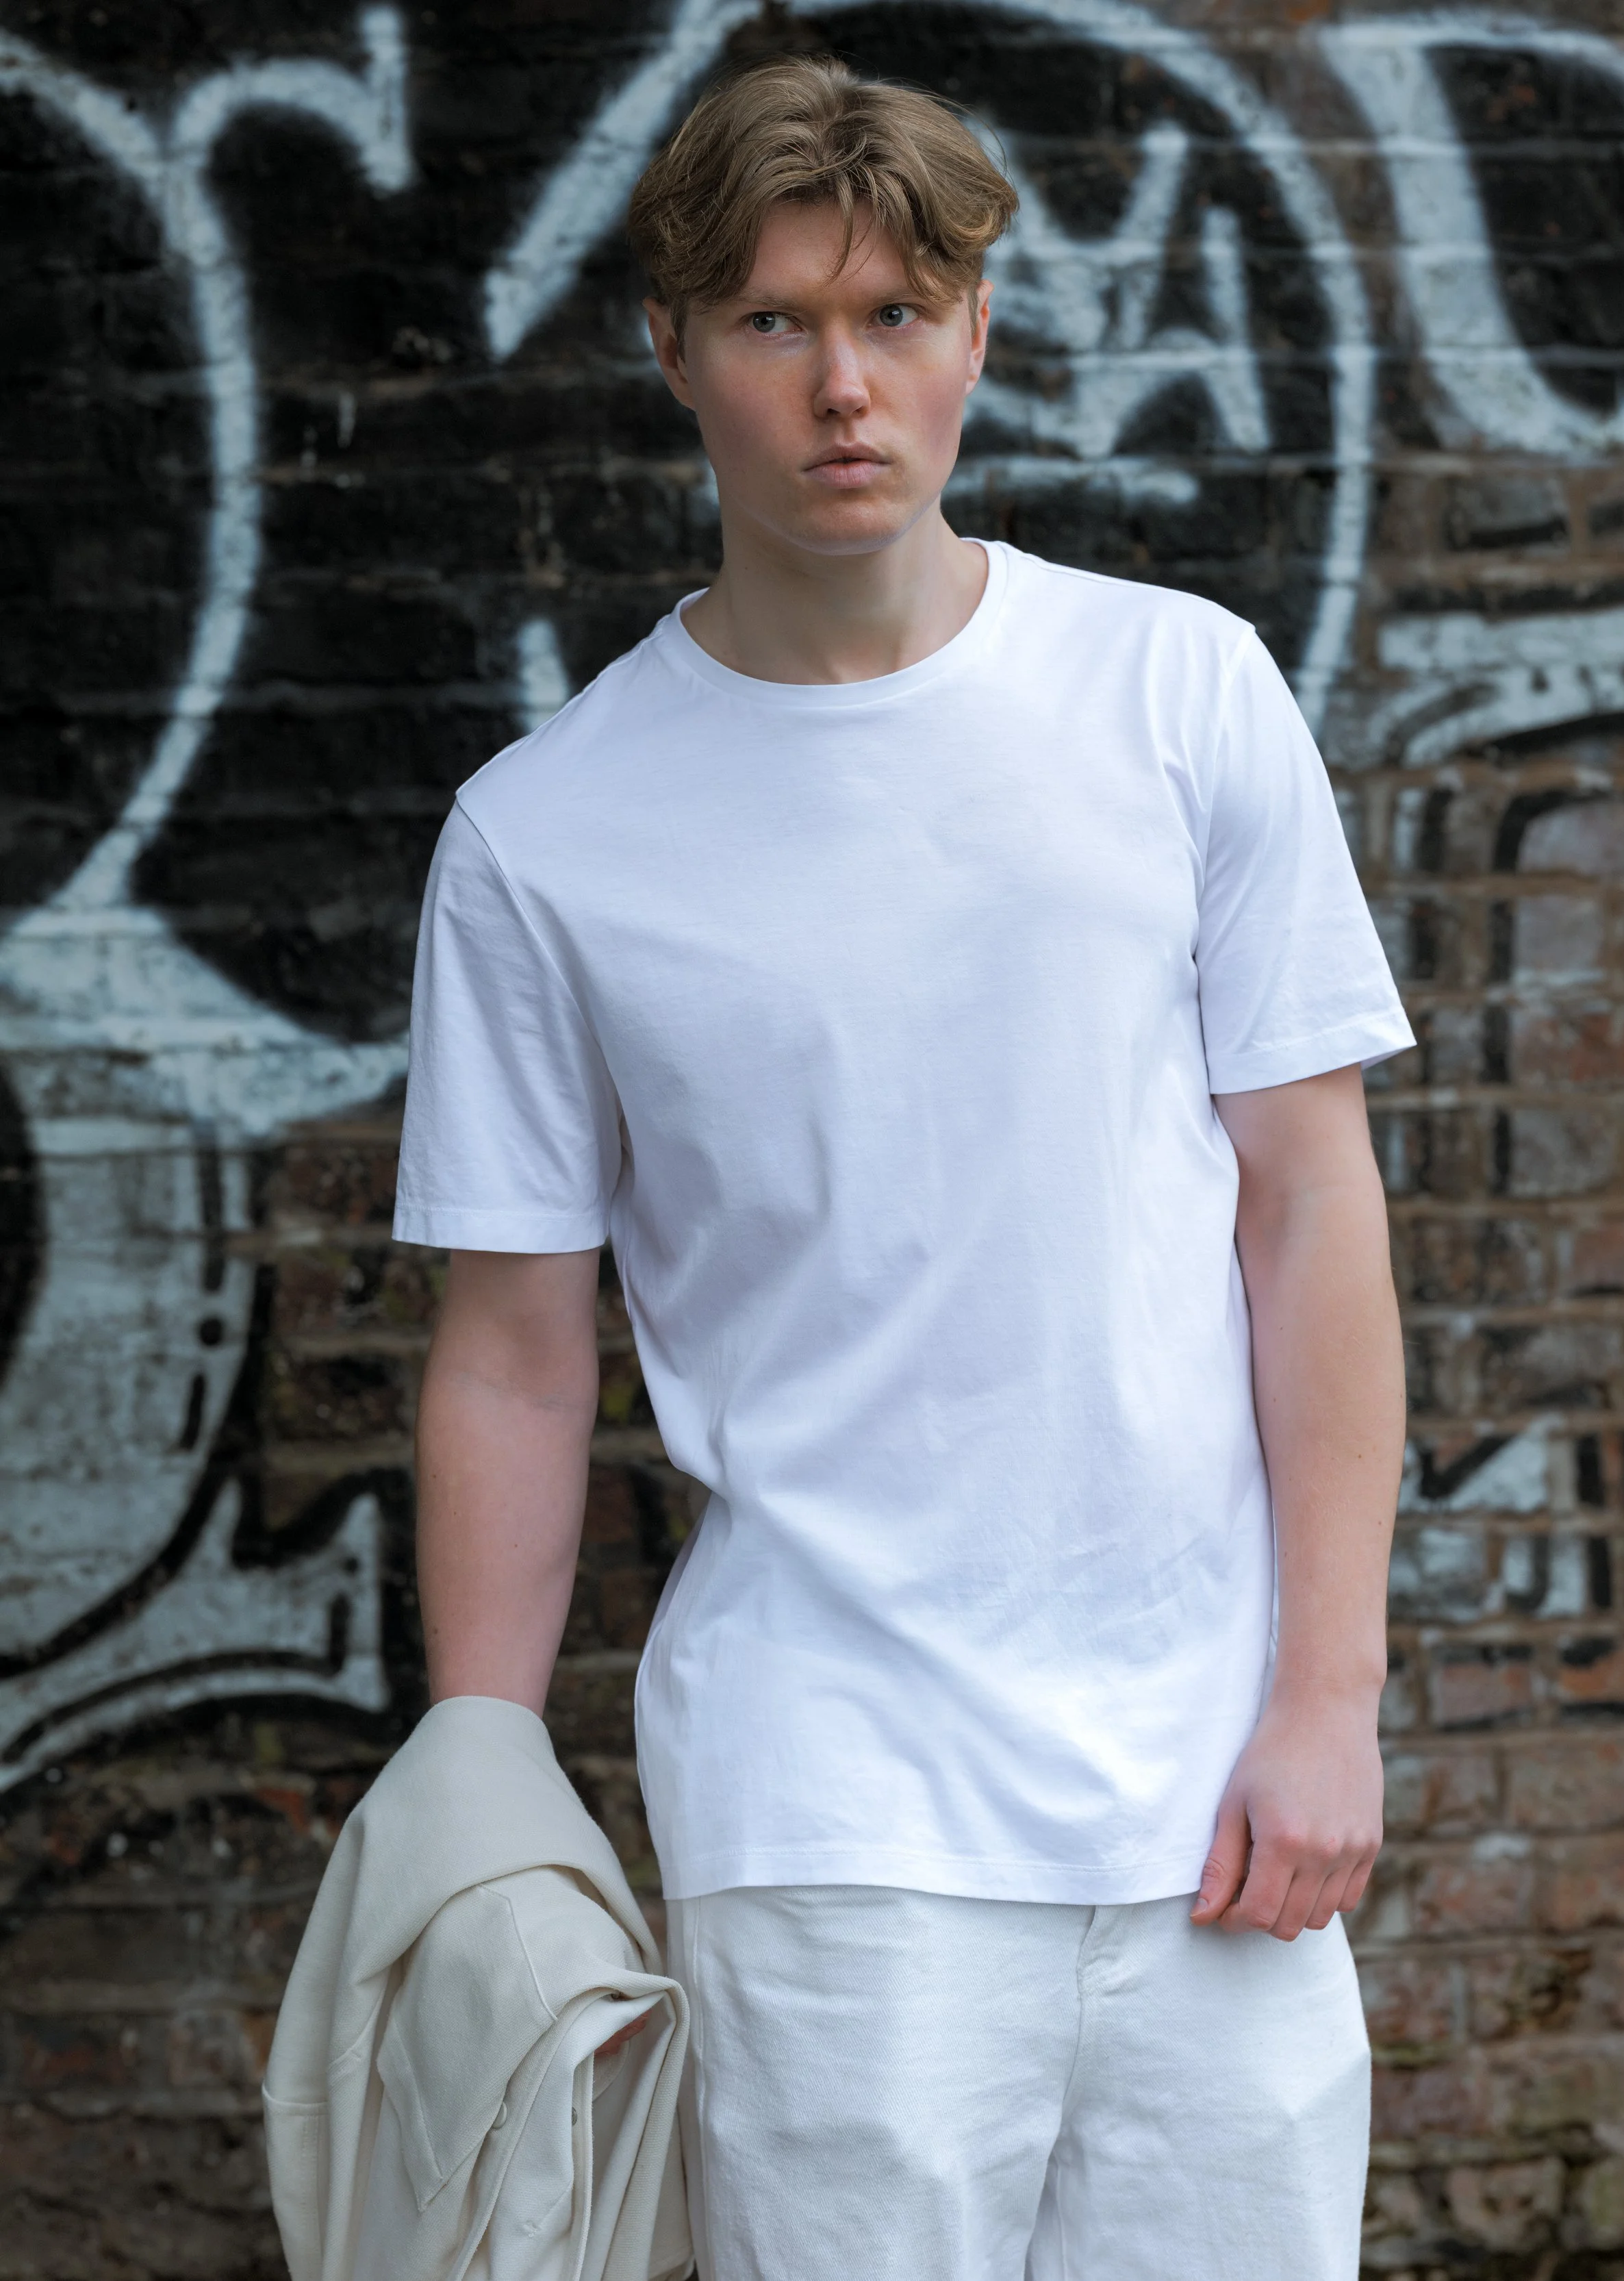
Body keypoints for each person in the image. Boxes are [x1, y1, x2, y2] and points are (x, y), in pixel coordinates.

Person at [394, 53, 1412, 2281]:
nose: (841, 387)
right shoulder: (547, 833)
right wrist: (475, 1761)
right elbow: (511, 1350)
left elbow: (1308, 1207)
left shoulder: (1178, 695)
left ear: (975, 330)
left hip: (1211, 1788)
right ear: (672, 351)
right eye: (773, 323)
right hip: (825, 1802)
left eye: (893, 313)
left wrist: (1323, 1694)